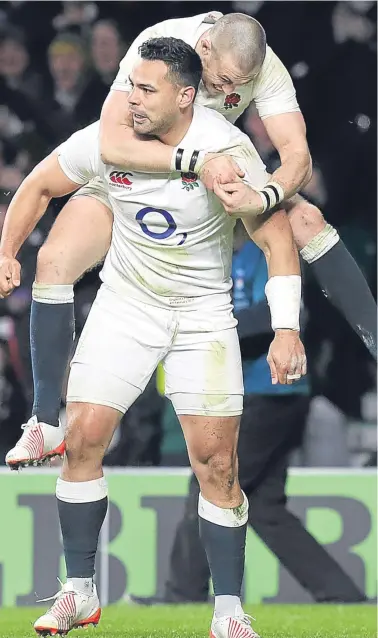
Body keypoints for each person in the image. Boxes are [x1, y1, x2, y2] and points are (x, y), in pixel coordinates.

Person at [2, 38, 306, 637]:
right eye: (130, 86)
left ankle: (227, 614)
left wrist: (287, 329)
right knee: (83, 440)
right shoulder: (109, 136)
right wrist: (7, 251)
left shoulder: (228, 150)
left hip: (201, 314)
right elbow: (38, 185)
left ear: (186, 96)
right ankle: (79, 591)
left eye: (146, 90)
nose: (130, 98)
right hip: (126, 305)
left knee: (216, 465)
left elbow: (277, 242)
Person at [1, 10, 375, 469]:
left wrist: (266, 194)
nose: (229, 92)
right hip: (143, 172)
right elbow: (113, 144)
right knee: (55, 258)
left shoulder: (260, 67)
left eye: (240, 84)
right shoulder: (157, 48)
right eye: (221, 81)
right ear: (203, 53)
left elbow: (298, 157)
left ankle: (374, 339)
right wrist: (196, 160)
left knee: (308, 221)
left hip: (206, 184)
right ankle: (44, 421)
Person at [132, 226, 366, 606]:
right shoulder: (233, 257)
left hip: (268, 392)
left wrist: (211, 329)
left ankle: (180, 596)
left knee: (208, 484)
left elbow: (280, 313)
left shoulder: (267, 252)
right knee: (266, 508)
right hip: (268, 393)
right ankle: (342, 595)